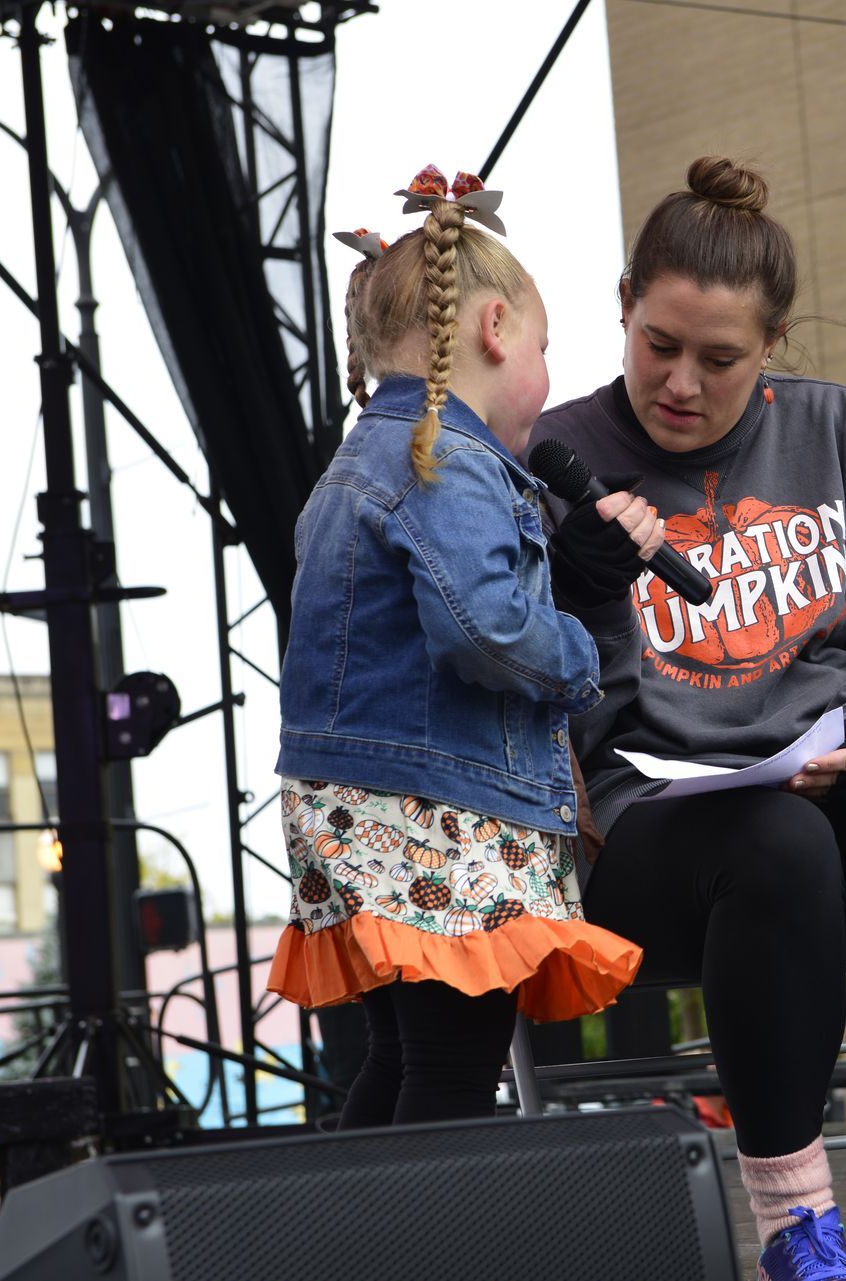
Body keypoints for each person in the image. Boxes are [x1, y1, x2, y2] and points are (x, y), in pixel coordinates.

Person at [530, 157, 846, 1281]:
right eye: (659, 345)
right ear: (624, 306)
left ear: (775, 347)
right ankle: (797, 1233)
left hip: (823, 778)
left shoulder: (845, 438)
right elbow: (488, 661)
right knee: (773, 842)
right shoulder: (548, 460)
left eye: (720, 360)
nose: (680, 384)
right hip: (643, 821)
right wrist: (568, 587)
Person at [266, 166, 659, 1129]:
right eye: (544, 346)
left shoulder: (359, 462)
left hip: (361, 806)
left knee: (405, 1060)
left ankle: (346, 1253)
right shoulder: (450, 460)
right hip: (440, 814)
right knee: (448, 1073)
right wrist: (583, 653)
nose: (547, 375)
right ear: (493, 330)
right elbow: (486, 629)